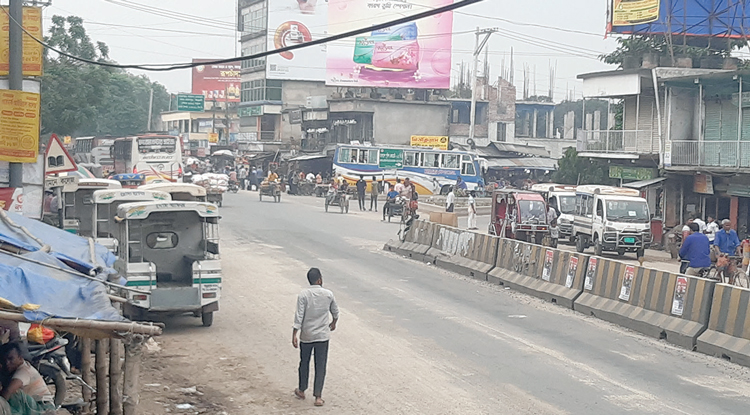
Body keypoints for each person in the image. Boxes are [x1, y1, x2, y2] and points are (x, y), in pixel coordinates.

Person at [292, 268, 339, 407]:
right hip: (322, 336)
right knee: (321, 365)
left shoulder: (303, 295)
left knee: (304, 362)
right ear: (319, 279)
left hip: (307, 335)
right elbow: (336, 312)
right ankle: (318, 396)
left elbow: (299, 316)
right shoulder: (328, 294)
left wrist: (294, 334)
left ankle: (301, 389)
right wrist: (333, 323)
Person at [0, 342, 55, 415]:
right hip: (30, 405)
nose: (7, 363)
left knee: (13, 394)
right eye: (4, 360)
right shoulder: (12, 368)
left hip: (43, 408)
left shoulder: (23, 372)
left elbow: (8, 391)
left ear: (20, 357)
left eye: (11, 359)